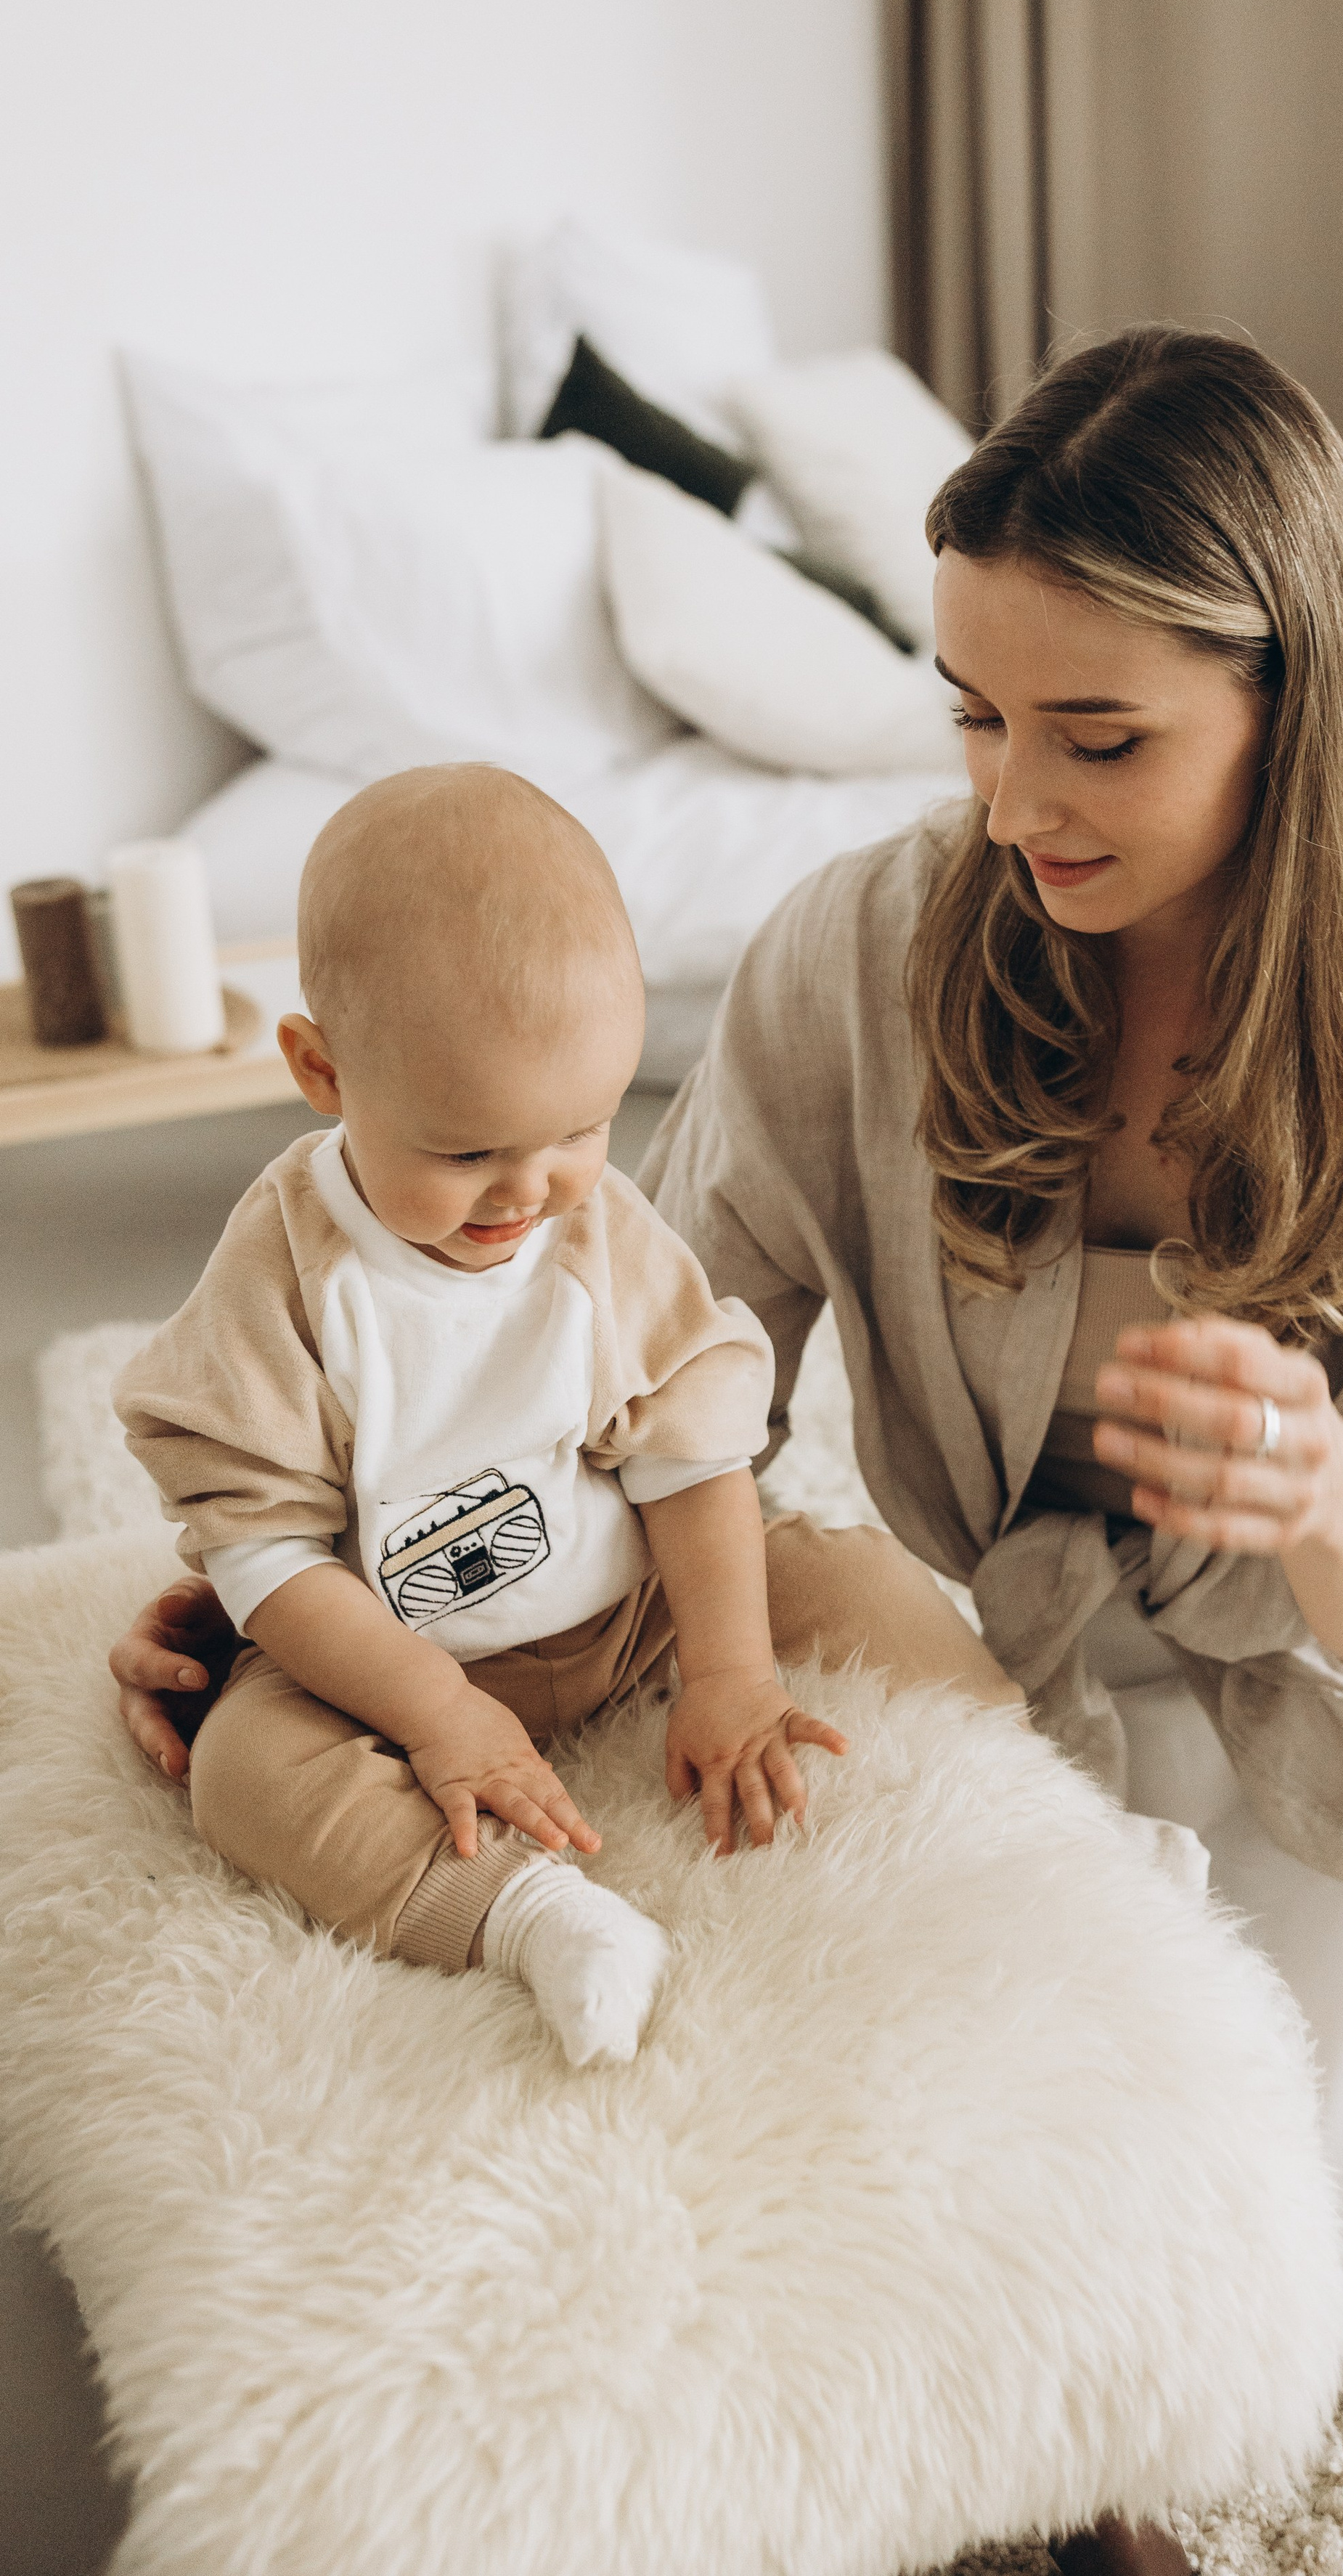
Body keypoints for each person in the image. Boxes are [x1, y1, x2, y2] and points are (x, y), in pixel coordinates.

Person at [109, 328, 1343, 2564]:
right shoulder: (856, 957)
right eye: (976, 716)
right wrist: (318, 1581)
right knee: (1092, 2201)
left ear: (1292, 707)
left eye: (1099, 738)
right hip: (1024, 1685)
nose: (1015, 802)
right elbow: (647, 1366)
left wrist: (1326, 1496)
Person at [110, 766, 1015, 2068]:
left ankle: (1050, 1797)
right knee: (243, 1774)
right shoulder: (289, 1276)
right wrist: (433, 1712)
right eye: (468, 1151)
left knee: (861, 1580)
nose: (528, 1191)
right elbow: (263, 1553)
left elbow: (695, 1454)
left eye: (581, 1128)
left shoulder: (590, 1230)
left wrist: (728, 1672)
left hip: (631, 1608)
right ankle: (533, 1918)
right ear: (321, 1067)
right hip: (394, 1649)